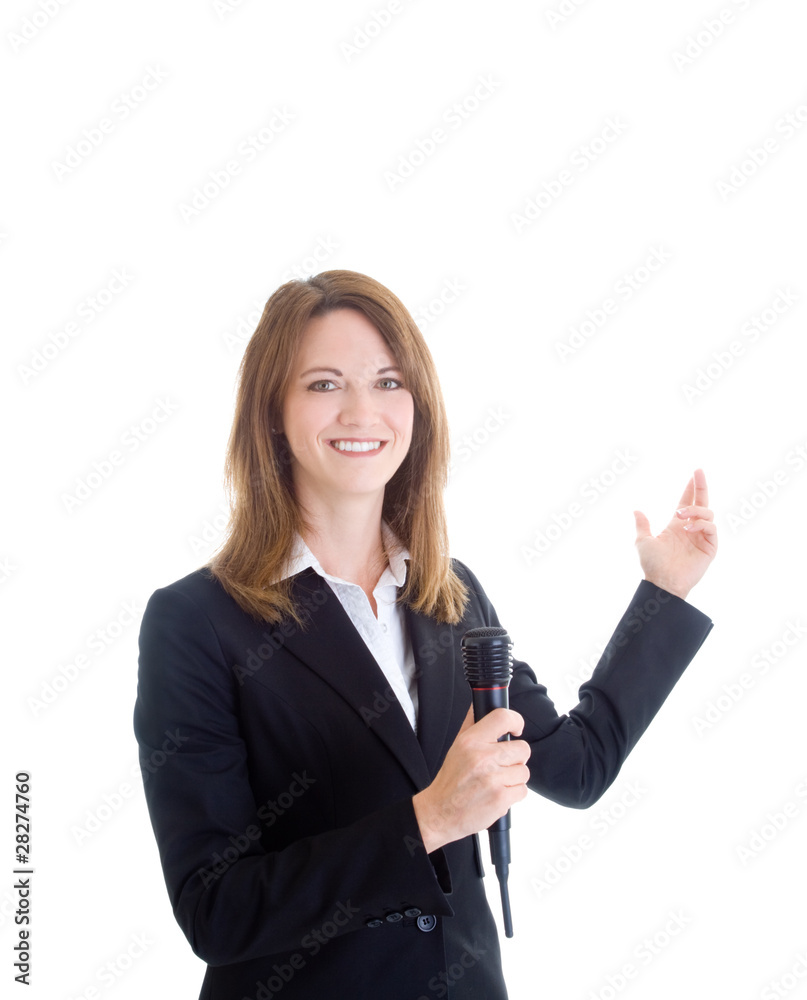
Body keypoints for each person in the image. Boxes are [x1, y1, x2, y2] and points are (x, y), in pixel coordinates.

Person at [133, 269, 717, 1000]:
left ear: (418, 406)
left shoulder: (451, 594)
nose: (360, 410)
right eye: (323, 384)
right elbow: (215, 910)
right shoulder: (197, 621)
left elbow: (578, 765)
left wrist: (662, 593)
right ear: (271, 413)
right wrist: (429, 820)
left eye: (387, 382)